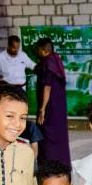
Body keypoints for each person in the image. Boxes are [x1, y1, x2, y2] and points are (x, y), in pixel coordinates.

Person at [35, 38, 70, 167]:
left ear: (43, 50)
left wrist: (42, 109)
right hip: (59, 106)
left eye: (38, 49)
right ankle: (62, 164)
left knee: (47, 135)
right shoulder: (56, 60)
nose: (37, 51)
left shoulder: (48, 63)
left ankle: (49, 166)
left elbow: (47, 87)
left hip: (50, 106)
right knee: (59, 135)